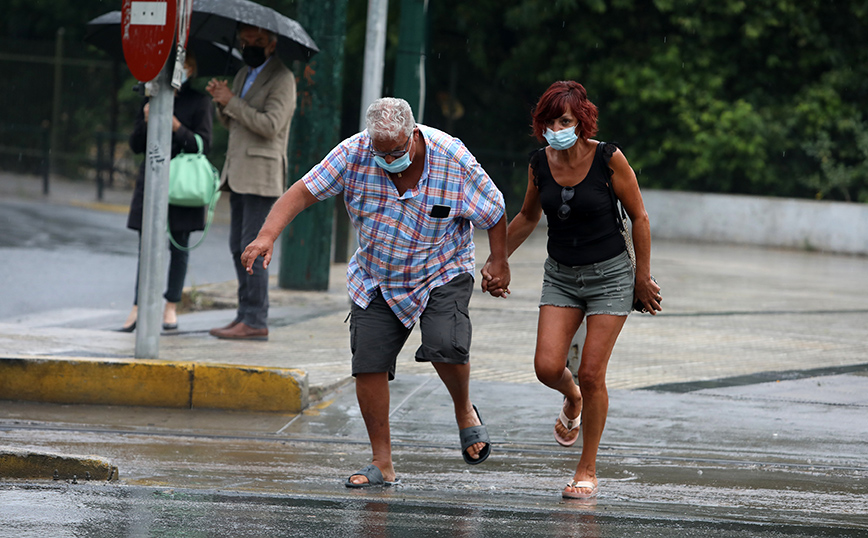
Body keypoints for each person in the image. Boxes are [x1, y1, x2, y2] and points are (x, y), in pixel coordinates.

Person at [240, 97, 511, 487]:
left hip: (441, 268)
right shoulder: (353, 153)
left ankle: (464, 410)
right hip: (377, 274)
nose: (388, 159)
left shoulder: (453, 159)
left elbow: (495, 209)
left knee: (445, 343)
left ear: (414, 136)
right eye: (380, 152)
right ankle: (382, 462)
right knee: (368, 363)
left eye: (397, 150)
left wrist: (498, 261)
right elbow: (301, 192)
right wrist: (267, 236)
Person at [482, 81, 661, 500]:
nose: (556, 128)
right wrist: (498, 260)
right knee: (547, 367)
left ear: (581, 121)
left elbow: (640, 217)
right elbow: (527, 216)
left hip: (611, 277)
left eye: (565, 120)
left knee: (593, 372)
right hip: (561, 274)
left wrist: (642, 278)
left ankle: (587, 468)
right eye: (549, 121)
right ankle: (572, 398)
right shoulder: (538, 163)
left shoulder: (608, 158)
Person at [205, 24, 297, 341]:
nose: (250, 46)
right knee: (236, 247)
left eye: (257, 41)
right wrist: (222, 101)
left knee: (254, 250)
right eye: (246, 41)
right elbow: (232, 121)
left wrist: (232, 100)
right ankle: (245, 314)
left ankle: (256, 319)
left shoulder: (283, 78)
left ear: (272, 45)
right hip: (238, 172)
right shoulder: (245, 73)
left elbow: (271, 125)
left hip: (262, 175)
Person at [121, 52, 213, 332]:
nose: (180, 70)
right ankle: (138, 306)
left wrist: (177, 127)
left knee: (179, 245)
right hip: (152, 178)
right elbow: (136, 144)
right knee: (147, 245)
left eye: (185, 65)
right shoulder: (151, 96)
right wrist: (149, 118)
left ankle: (170, 306)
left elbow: (202, 145)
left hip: (181, 183)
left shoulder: (200, 101)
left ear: (192, 68)